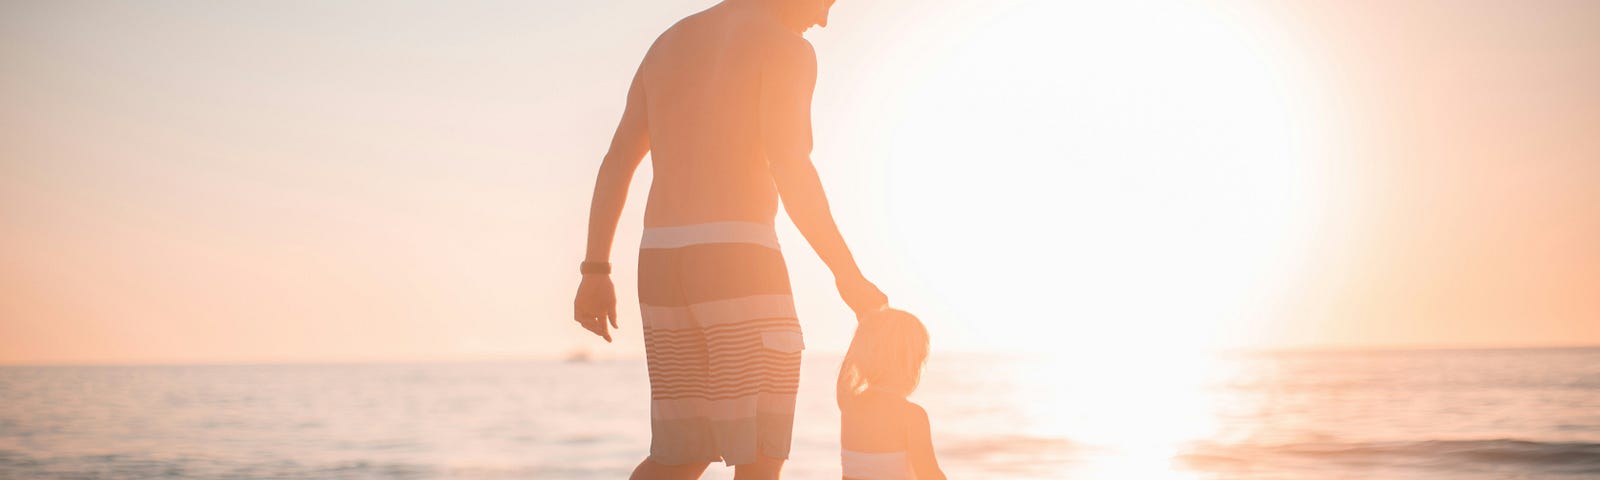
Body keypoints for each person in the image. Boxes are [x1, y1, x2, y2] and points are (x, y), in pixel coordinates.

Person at [570, 0, 887, 478]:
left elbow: (618, 161)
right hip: (739, 262)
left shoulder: (668, 44)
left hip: (660, 264)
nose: (823, 19)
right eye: (826, 1)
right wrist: (847, 275)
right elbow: (791, 166)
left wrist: (595, 268)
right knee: (759, 455)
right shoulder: (787, 48)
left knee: (679, 454)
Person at [837, 308, 946, 480]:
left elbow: (845, 373)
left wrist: (867, 321)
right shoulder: (911, 416)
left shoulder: (849, 406)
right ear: (909, 363)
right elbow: (930, 475)